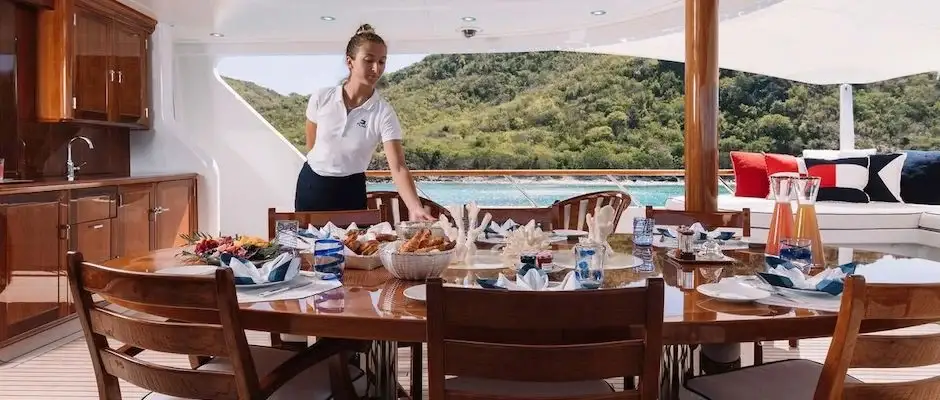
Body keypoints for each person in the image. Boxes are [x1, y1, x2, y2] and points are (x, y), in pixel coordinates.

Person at [295, 24, 434, 221]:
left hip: (351, 188)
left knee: (354, 247)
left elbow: (398, 167)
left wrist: (415, 207)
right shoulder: (321, 97)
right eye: (369, 61)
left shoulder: (383, 112)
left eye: (382, 62)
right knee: (308, 246)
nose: (376, 69)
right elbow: (312, 144)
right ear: (350, 62)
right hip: (312, 184)